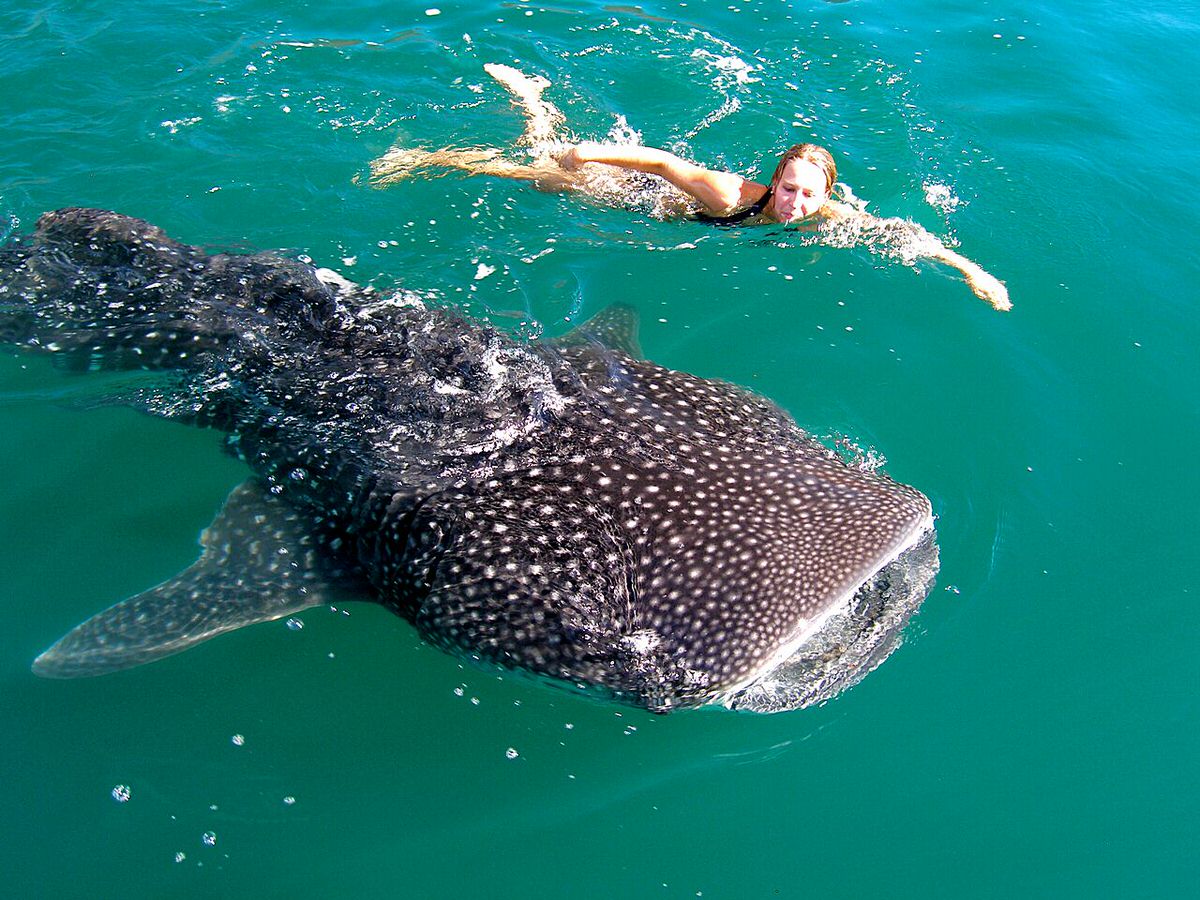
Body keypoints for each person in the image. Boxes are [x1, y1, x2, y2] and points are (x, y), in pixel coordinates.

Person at [370, 64, 1011, 311]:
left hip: (669, 221)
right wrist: (592, 154)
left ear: (826, 193)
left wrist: (972, 271)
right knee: (535, 170)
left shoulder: (825, 218)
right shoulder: (732, 195)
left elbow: (904, 236)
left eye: (809, 194)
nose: (796, 204)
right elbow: (662, 164)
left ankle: (536, 103)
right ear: (775, 180)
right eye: (789, 189)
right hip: (639, 199)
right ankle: (431, 156)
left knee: (543, 158)